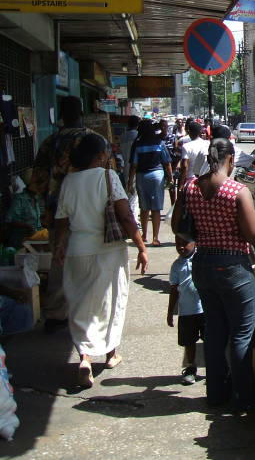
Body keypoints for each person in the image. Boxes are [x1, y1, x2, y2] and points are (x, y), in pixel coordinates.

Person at [172, 138, 255, 412]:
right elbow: (254, 235)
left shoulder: (190, 187)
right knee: (242, 334)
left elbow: (177, 225)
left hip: (203, 265)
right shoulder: (236, 191)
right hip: (233, 266)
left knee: (215, 331)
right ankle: (245, 397)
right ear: (230, 159)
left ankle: (216, 394)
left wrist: (200, 233)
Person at [53, 133, 148, 387]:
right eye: (105, 153)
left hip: (77, 250)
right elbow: (126, 215)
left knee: (80, 304)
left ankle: (84, 357)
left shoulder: (69, 182)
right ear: (99, 156)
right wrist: (141, 246)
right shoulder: (108, 177)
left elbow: (61, 221)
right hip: (109, 250)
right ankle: (110, 353)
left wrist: (58, 246)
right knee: (111, 301)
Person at [30, 96, 95, 333]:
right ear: (81, 113)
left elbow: (38, 180)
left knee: (59, 261)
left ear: (61, 115)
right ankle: (86, 311)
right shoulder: (94, 140)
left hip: (57, 211)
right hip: (89, 212)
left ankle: (57, 313)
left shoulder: (50, 141)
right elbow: (108, 176)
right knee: (89, 260)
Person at [128, 120, 173, 247]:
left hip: (141, 176)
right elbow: (167, 162)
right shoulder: (160, 143)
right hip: (156, 176)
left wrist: (130, 182)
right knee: (156, 208)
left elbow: (134, 165)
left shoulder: (137, 144)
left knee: (144, 207)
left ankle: (143, 235)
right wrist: (170, 178)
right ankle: (155, 238)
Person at [167, 238, 204, 386]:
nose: (181, 247)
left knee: (211, 338)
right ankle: (190, 367)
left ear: (195, 243)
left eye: (185, 244)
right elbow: (174, 290)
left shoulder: (201, 259)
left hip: (205, 309)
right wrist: (170, 312)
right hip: (186, 311)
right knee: (189, 341)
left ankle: (216, 368)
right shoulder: (176, 266)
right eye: (178, 244)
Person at [4, 172, 41, 249]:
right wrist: (27, 226)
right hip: (20, 242)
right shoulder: (20, 199)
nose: (38, 186)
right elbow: (9, 220)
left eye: (39, 184)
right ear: (28, 184)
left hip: (32, 241)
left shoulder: (35, 199)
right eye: (35, 184)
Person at [119, 115, 141, 225]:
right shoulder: (138, 136)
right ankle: (133, 218)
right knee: (134, 193)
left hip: (125, 166)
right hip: (135, 166)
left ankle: (130, 216)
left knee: (128, 191)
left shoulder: (122, 136)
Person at [179, 121, 209, 188]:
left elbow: (184, 166)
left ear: (189, 132)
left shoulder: (186, 146)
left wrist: (181, 185)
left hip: (191, 181)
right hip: (206, 180)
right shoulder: (208, 144)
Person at [159, 119, 178, 204]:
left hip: (171, 165)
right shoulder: (157, 138)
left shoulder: (172, 137)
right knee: (159, 187)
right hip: (160, 166)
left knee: (172, 187)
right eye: (162, 126)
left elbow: (176, 152)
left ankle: (173, 206)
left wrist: (174, 167)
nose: (164, 128)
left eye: (165, 126)